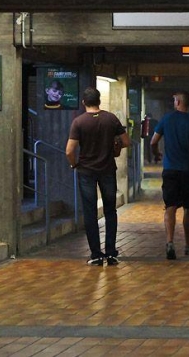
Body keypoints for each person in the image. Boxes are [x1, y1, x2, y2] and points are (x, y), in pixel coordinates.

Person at [65, 87, 130, 266]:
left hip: (86, 172)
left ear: (83, 102)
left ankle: (96, 254)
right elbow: (126, 141)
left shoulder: (78, 122)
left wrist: (74, 164)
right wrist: (114, 147)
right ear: (99, 101)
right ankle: (111, 253)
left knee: (90, 212)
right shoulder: (111, 118)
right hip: (107, 170)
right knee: (110, 211)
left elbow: (69, 151)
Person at [151, 91, 189, 260]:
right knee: (188, 208)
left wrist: (156, 153)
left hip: (170, 170)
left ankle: (170, 242)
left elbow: (153, 141)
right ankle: (188, 244)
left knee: (170, 206)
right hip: (188, 170)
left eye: (174, 99)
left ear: (178, 102)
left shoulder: (166, 119)